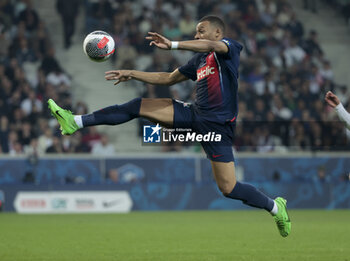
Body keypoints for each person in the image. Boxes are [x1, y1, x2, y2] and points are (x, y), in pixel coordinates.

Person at [48, 15, 291, 237]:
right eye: (196, 31)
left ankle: (274, 206)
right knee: (137, 106)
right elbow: (168, 78)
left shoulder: (229, 49)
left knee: (228, 188)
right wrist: (132, 73)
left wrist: (173, 44)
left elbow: (210, 46)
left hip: (218, 128)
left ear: (218, 33)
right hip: (193, 115)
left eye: (201, 30)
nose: (197, 35)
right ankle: (75, 121)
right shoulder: (198, 60)